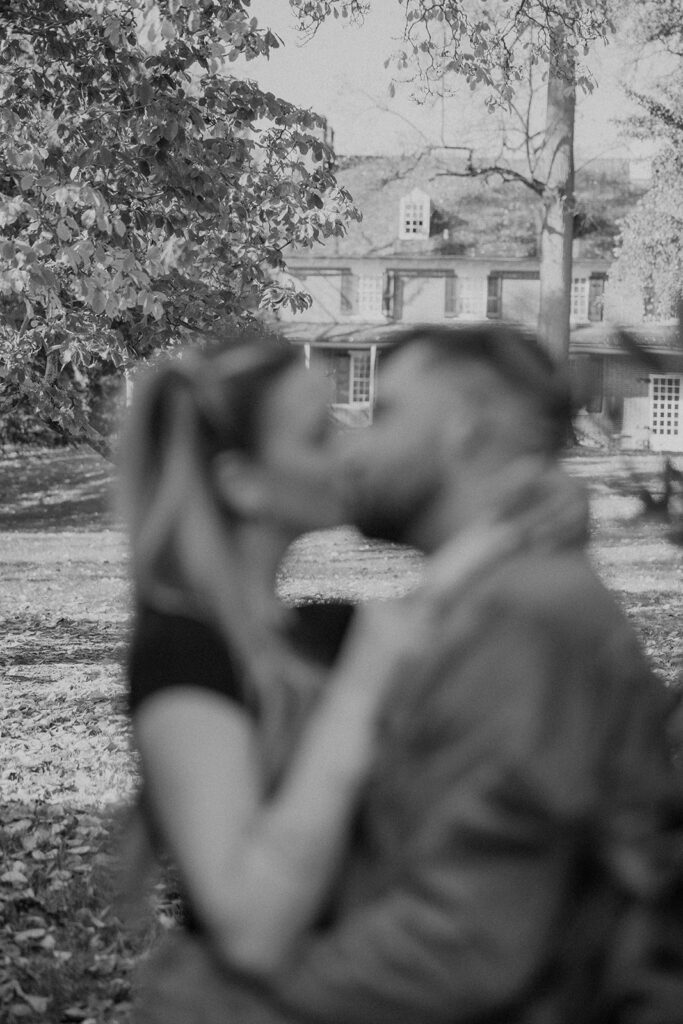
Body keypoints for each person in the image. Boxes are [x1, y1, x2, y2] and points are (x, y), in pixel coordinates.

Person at [182, 322, 683, 1024]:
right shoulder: (480, 599)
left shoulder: (521, 620)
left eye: (382, 413)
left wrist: (231, 1006)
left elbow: (466, 938)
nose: (354, 446)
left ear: (464, 429)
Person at [122, 330, 439, 1022]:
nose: (350, 449)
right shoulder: (182, 652)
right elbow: (250, 929)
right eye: (319, 437)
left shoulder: (323, 630)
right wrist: (361, 686)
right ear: (243, 483)